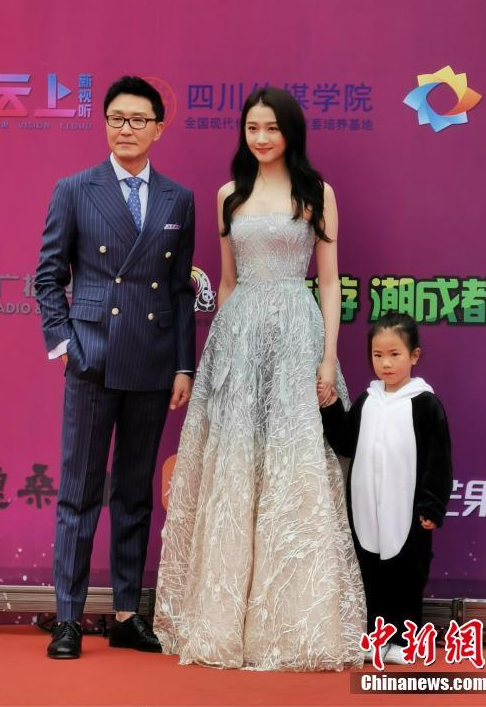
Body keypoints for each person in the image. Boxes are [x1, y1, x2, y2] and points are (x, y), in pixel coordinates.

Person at [154, 87, 365, 671]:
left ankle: (294, 622)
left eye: (272, 128)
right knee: (237, 472)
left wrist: (328, 358)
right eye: (253, 128)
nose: (262, 138)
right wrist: (222, 354)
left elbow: (329, 281)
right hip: (239, 339)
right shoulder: (229, 195)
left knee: (293, 469)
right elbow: (226, 281)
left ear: (290, 132)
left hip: (298, 335)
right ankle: (224, 620)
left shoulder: (316, 192)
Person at [35, 76, 196, 659]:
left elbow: (179, 291)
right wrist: (66, 344)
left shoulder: (178, 198)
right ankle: (69, 618)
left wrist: (184, 365)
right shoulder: (76, 189)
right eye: (117, 118)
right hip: (92, 358)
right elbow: (47, 277)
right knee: (78, 493)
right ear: (105, 123)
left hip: (152, 362)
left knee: (133, 493)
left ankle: (127, 613)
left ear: (158, 128)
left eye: (138, 120)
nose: (126, 129)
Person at [319, 312, 452, 666]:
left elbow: (438, 461)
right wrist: (330, 407)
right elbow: (346, 442)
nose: (386, 363)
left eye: (395, 354)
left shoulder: (425, 405)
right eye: (378, 355)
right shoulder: (368, 400)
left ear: (414, 355)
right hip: (366, 508)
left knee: (406, 576)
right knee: (371, 575)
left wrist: (432, 506)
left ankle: (405, 640)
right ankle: (377, 639)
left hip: (407, 511)